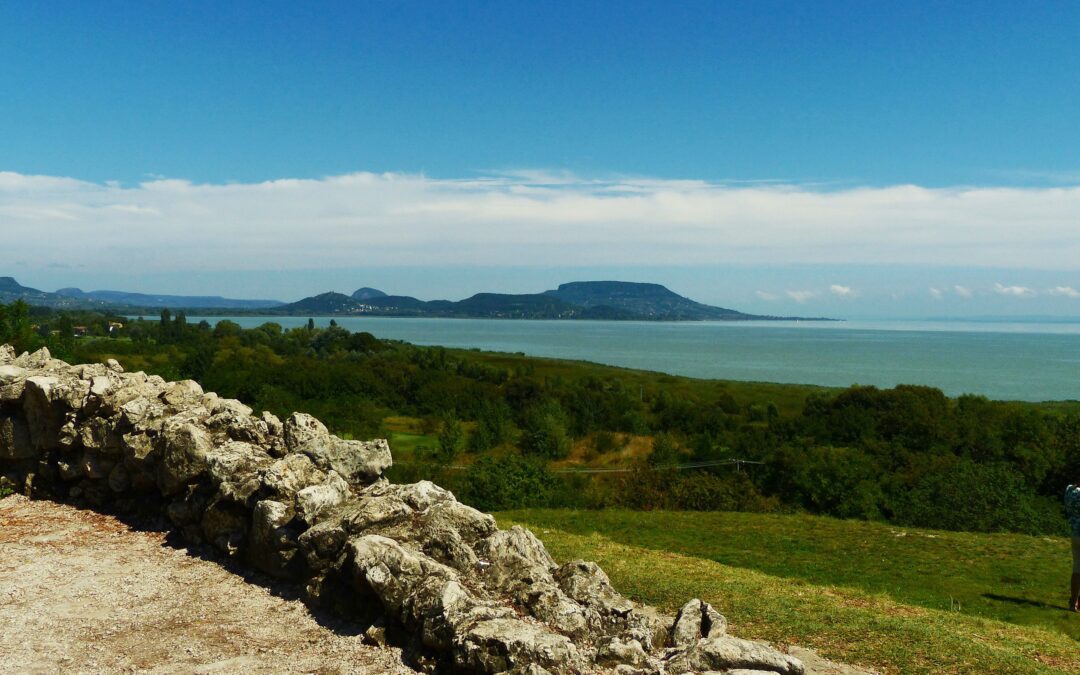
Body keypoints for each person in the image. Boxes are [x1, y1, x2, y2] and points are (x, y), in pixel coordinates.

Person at [1067, 483, 1080, 612]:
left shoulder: (1070, 492)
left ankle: (1073, 602)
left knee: (1077, 568)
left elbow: (1070, 486)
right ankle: (1077, 602)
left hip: (1075, 534)